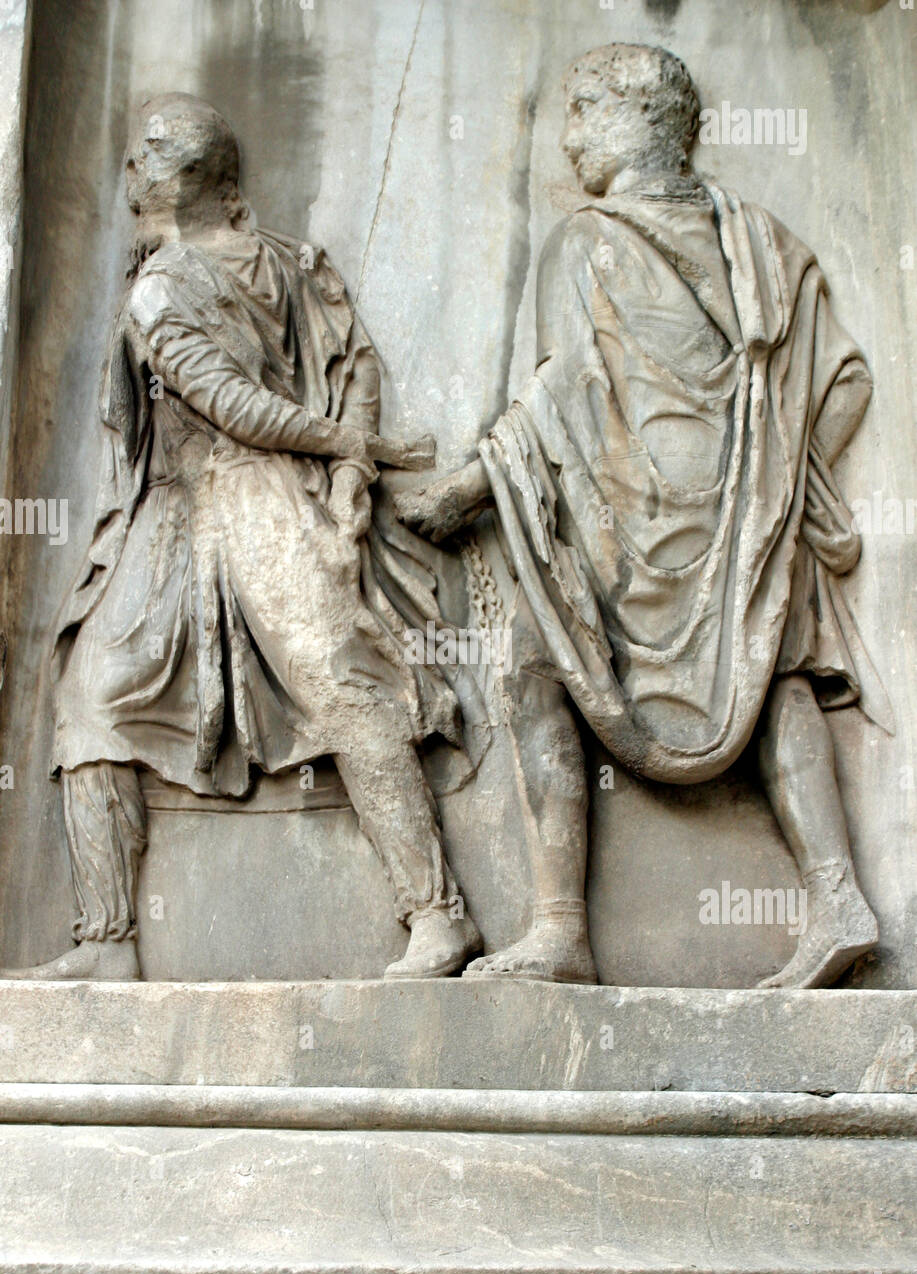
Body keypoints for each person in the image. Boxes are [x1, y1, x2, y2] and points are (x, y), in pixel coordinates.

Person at [396, 44, 891, 988]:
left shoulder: (585, 241)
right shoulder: (764, 246)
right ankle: (835, 895)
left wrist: (467, 489)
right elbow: (842, 379)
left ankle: (559, 932)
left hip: (620, 517)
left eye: (582, 110)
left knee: (541, 671)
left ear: (636, 116)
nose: (570, 135)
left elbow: (564, 394)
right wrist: (774, 471)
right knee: (773, 670)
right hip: (741, 521)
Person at [3, 93, 479, 982]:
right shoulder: (214, 274)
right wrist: (350, 445)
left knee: (343, 686)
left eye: (140, 161)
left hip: (258, 501)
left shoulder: (207, 279)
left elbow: (299, 385)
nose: (127, 176)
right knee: (90, 693)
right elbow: (309, 391)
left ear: (180, 175)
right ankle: (108, 940)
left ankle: (436, 915)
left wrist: (349, 475)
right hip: (178, 518)